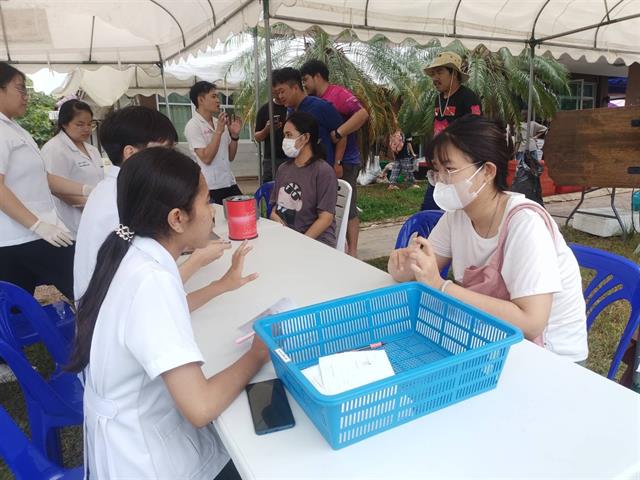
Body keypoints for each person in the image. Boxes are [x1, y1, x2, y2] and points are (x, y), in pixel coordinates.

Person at [67, 147, 268, 479]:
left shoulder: (130, 251)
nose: (212, 212)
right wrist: (257, 354)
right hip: (147, 459)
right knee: (255, 453)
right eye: (206, 203)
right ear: (177, 218)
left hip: (133, 434)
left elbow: (146, 325)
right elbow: (201, 407)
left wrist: (220, 285)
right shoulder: (151, 279)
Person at [388, 115, 588, 362]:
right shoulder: (458, 215)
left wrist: (441, 286)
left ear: (487, 172)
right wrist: (404, 263)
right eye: (437, 171)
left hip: (550, 359)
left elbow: (531, 323)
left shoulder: (525, 224)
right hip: (493, 339)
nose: (441, 181)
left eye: (449, 169)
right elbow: (420, 269)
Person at [74, 106, 248, 311]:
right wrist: (197, 262)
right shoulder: (124, 201)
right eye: (163, 150)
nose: (171, 158)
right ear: (130, 153)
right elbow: (153, 295)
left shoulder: (114, 188)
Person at [0, 62, 92, 301]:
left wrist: (86, 189)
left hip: (35, 232)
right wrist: (37, 225)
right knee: (89, 288)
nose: (26, 96)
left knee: (15, 307)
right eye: (20, 89)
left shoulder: (15, 129)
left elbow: (43, 178)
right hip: (24, 235)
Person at [301, 59, 369, 256]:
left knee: (347, 207)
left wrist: (338, 133)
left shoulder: (338, 94)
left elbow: (362, 114)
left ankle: (353, 252)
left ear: (317, 76)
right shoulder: (312, 102)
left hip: (345, 162)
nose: (304, 85)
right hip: (326, 163)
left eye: (306, 79)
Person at [421, 51, 482, 211]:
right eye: (433, 74)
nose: (435, 78)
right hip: (439, 164)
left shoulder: (469, 97)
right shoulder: (438, 99)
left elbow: (476, 130)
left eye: (440, 72)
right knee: (430, 207)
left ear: (454, 73)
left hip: (460, 167)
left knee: (458, 210)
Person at [270, 111, 338, 248]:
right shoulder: (283, 169)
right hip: (287, 238)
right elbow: (274, 209)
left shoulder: (323, 171)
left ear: (305, 137)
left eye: (289, 135)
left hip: (316, 241)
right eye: (284, 135)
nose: (285, 140)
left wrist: (301, 243)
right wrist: (277, 221)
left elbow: (325, 218)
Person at [41, 99, 103, 234]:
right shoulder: (54, 149)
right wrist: (92, 207)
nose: (86, 129)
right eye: (80, 124)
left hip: (96, 218)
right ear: (64, 124)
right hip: (70, 225)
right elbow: (57, 189)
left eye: (89, 124)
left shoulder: (92, 149)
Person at [272, 68, 347, 176]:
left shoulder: (320, 107)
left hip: (320, 173)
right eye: (277, 93)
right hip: (298, 173)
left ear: (295, 88)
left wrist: (338, 163)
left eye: (282, 91)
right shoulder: (290, 111)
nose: (280, 96)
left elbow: (342, 135)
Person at [185, 81, 243, 204]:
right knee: (217, 221)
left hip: (228, 182)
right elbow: (206, 158)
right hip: (210, 186)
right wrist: (218, 132)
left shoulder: (219, 122)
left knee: (244, 212)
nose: (218, 100)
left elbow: (230, 156)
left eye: (217, 96)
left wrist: (234, 136)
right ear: (201, 100)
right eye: (213, 96)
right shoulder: (193, 126)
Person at [254, 80, 288, 183]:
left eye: (281, 91)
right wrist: (267, 129)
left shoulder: (292, 107)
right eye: (275, 92)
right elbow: (257, 137)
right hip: (271, 159)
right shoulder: (264, 110)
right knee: (270, 190)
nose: (279, 95)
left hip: (291, 157)